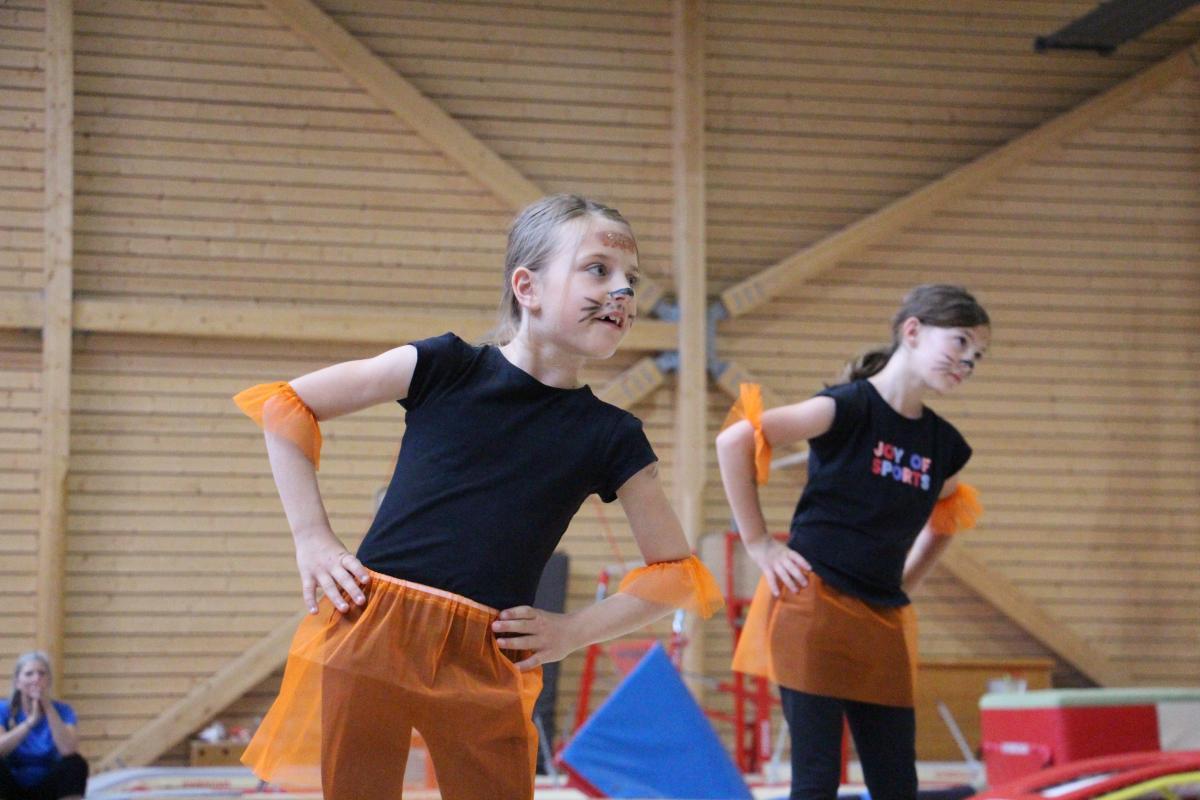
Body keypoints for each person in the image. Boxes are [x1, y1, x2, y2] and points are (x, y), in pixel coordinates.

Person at [234, 194, 722, 799]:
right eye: (598, 270)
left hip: (489, 653)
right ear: (528, 287)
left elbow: (675, 573)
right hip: (374, 629)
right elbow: (287, 405)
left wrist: (572, 631)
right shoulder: (444, 366)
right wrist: (312, 539)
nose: (622, 291)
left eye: (632, 279)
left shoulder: (612, 436)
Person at [716, 284, 990, 800]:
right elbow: (735, 440)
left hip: (881, 619)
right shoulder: (847, 408)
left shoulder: (942, 444)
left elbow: (948, 516)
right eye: (960, 343)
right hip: (814, 606)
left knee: (896, 786)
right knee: (817, 780)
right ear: (913, 331)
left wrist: (906, 580)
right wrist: (759, 544)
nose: (968, 362)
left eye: (977, 356)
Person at [0, 652, 88, 800]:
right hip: (12, 787)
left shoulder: (63, 710)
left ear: (49, 681)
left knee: (76, 763)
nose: (36, 679)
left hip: (48, 787)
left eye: (41, 673)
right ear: (17, 682)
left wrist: (47, 706)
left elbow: (68, 750)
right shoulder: (3, 709)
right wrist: (30, 722)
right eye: (29, 674)